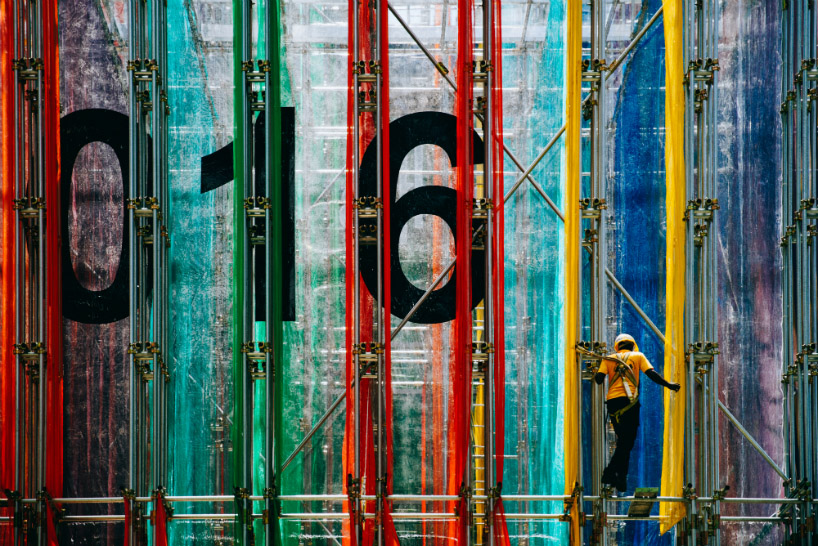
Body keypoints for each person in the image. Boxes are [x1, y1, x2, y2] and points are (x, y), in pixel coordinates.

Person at [594, 333, 681, 493]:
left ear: (617, 346)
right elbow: (651, 374)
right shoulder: (638, 355)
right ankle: (610, 474)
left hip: (613, 404)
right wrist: (668, 385)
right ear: (632, 345)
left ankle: (620, 479)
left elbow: (599, 379)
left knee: (624, 443)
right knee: (627, 442)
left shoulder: (608, 359)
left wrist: (599, 368)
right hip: (629, 403)